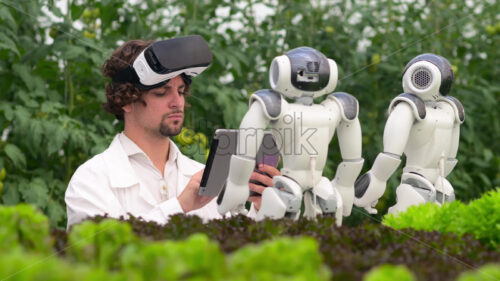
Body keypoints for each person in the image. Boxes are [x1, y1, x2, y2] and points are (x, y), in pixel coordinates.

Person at [65, 37, 280, 229]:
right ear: (125, 100)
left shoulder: (204, 176)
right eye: (161, 92)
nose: (177, 102)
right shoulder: (91, 180)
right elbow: (97, 257)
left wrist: (263, 209)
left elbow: (238, 255)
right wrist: (179, 207)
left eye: (180, 91)